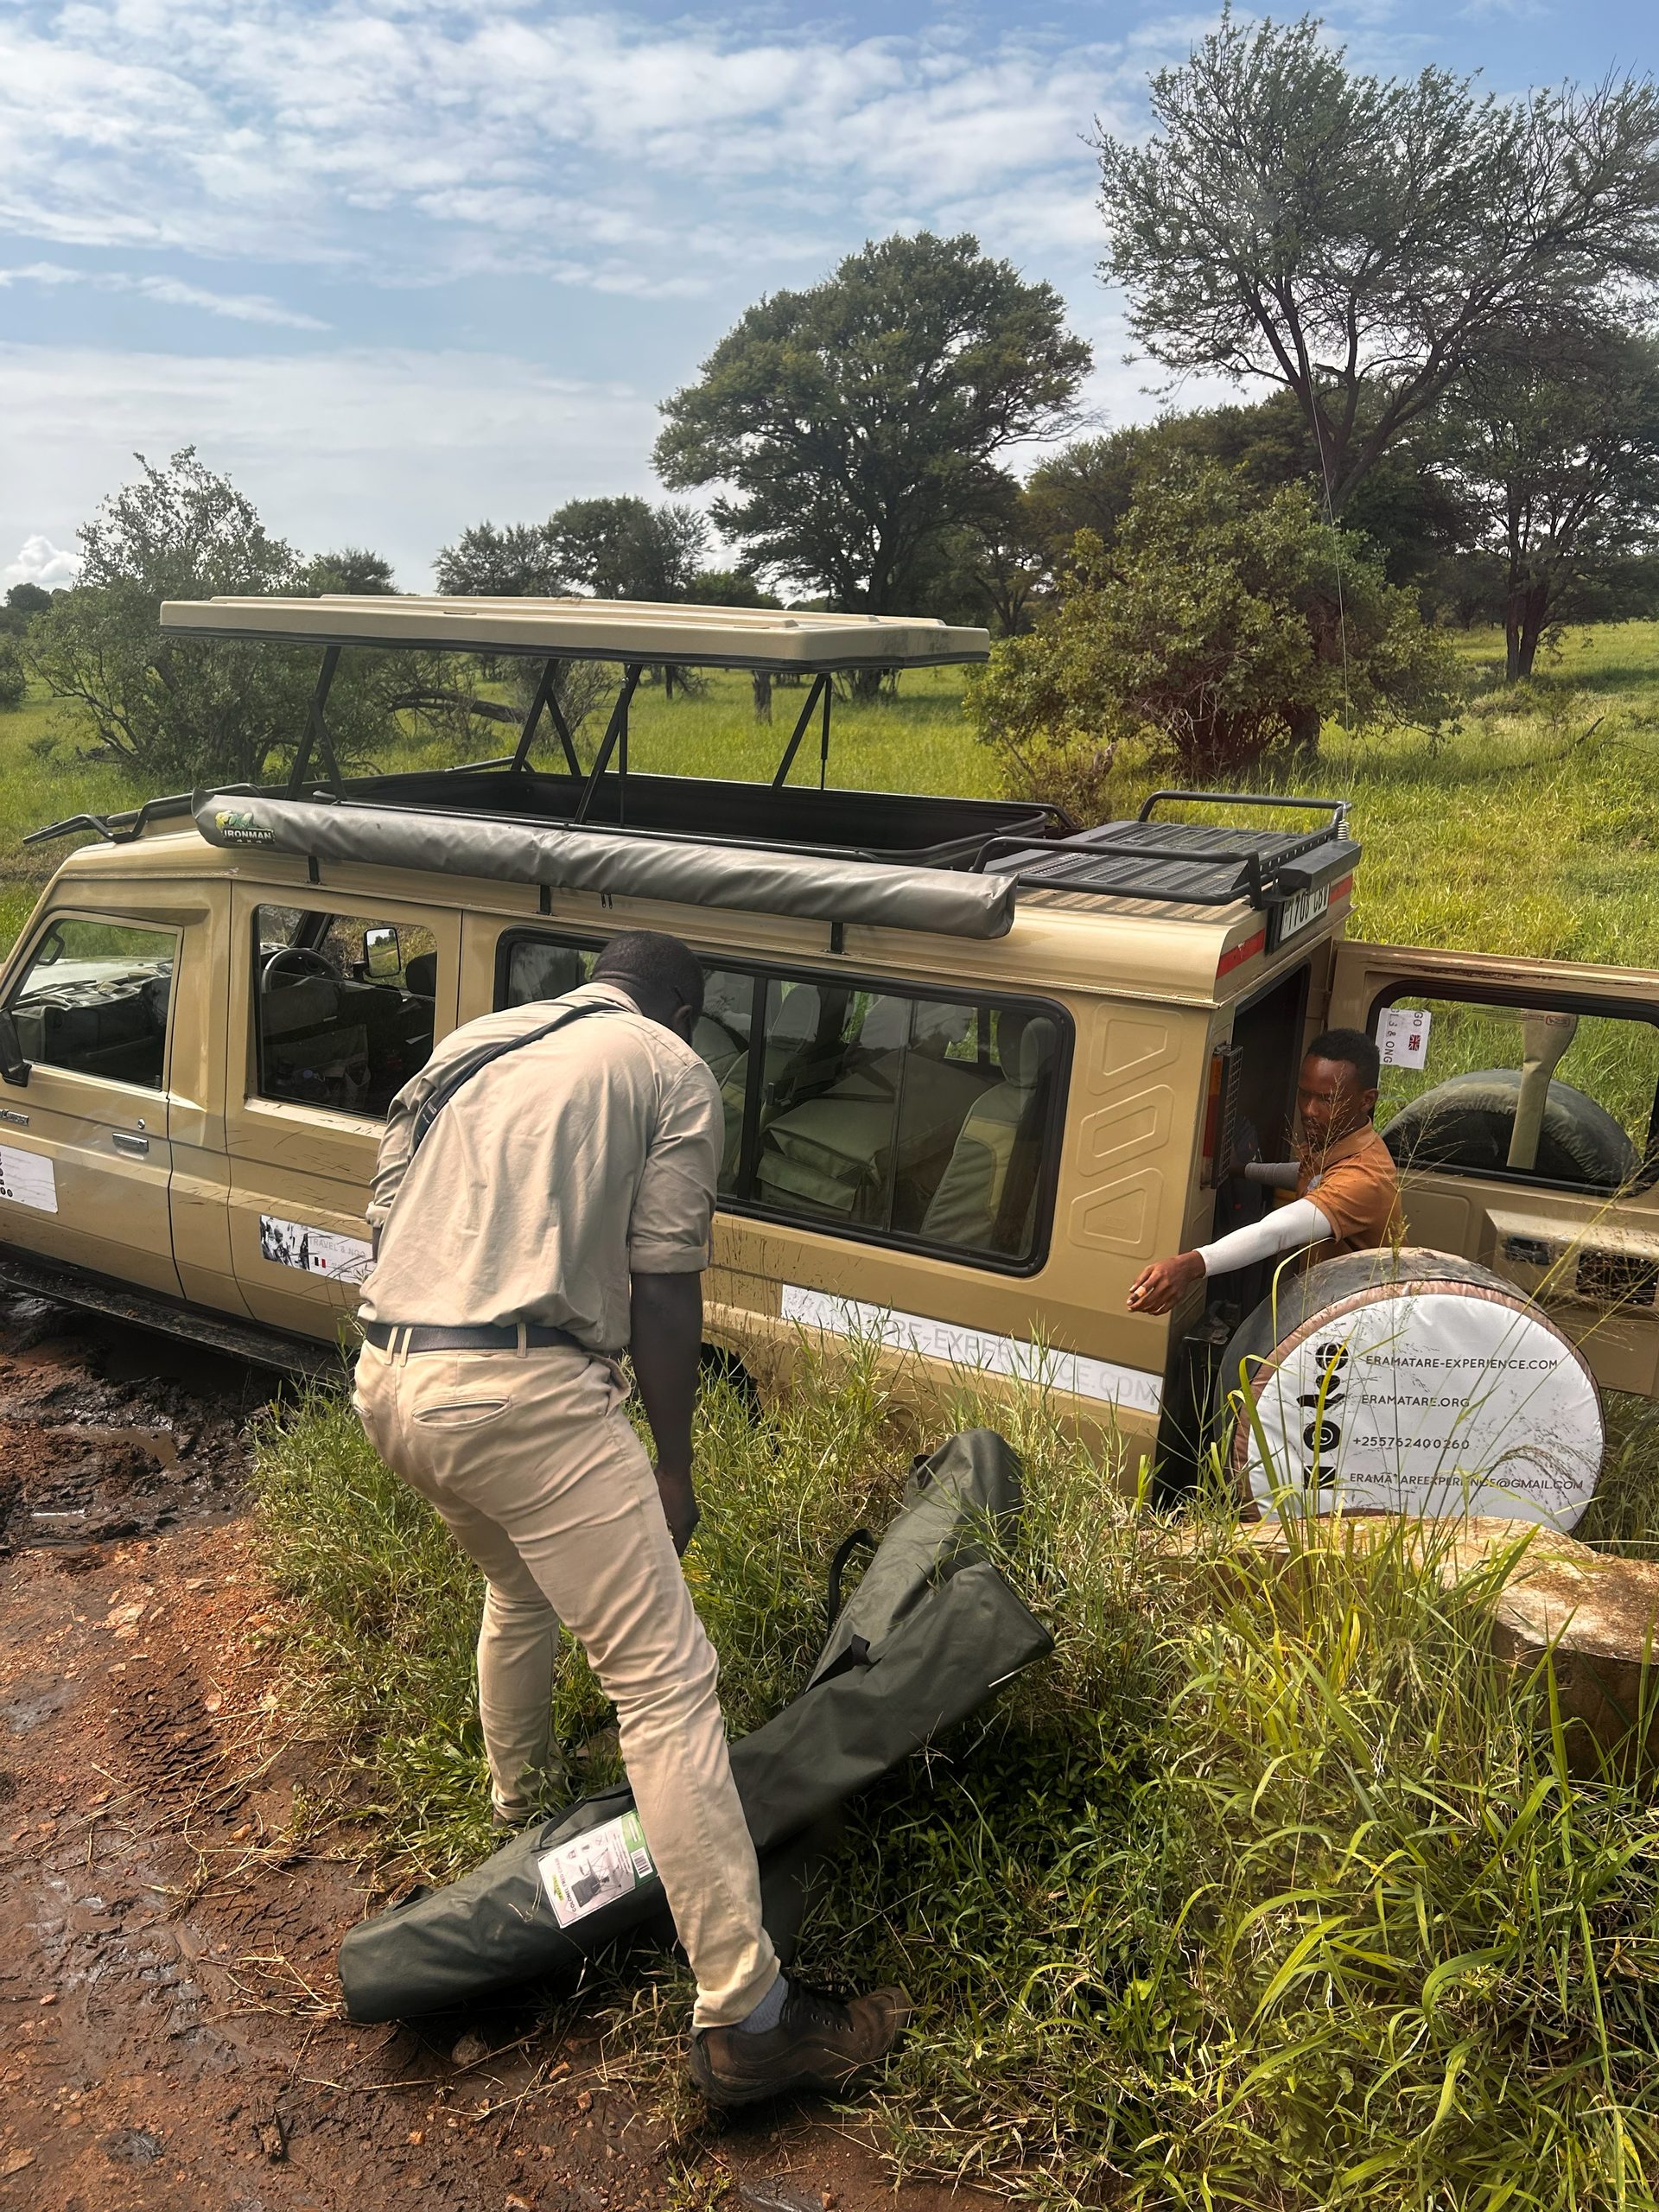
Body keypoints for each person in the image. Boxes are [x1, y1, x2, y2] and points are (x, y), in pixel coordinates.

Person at [353, 930, 908, 2106]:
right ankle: (749, 2014)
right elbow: (665, 1278)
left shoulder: (468, 1048)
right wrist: (673, 1460)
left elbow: (388, 1218)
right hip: (521, 1398)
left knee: (519, 1587)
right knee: (663, 1687)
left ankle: (520, 1813)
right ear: (686, 1006)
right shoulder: (666, 1066)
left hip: (392, 1380)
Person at [1127, 1027, 1404, 1317]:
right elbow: (1307, 1176)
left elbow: (1275, 1233)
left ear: (1367, 1100)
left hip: (1359, 1319)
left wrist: (1189, 1265)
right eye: (1304, 1094)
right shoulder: (1337, 1141)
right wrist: (1241, 1170)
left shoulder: (1364, 1178)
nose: (1309, 1110)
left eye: (1326, 1099)